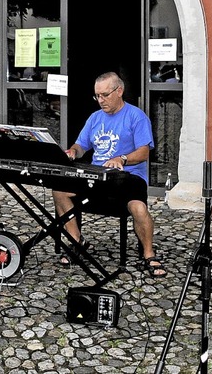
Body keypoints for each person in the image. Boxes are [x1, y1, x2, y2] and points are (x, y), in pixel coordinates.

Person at [52, 72, 167, 277]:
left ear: (119, 91)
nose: (100, 100)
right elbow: (81, 145)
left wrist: (121, 159)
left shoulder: (136, 116)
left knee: (138, 208)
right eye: (97, 96)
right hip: (98, 176)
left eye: (105, 95)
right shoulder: (95, 118)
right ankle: (77, 241)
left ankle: (149, 254)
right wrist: (73, 152)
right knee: (60, 190)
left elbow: (143, 152)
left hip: (129, 177)